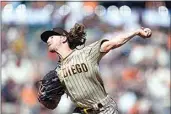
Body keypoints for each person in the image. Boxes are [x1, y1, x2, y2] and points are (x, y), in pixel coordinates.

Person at [39, 23, 152, 114]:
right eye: (47, 39)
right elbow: (53, 101)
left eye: (52, 37)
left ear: (63, 38)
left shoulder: (86, 53)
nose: (48, 40)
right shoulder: (58, 72)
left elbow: (112, 43)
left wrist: (136, 31)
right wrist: (48, 98)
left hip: (104, 109)